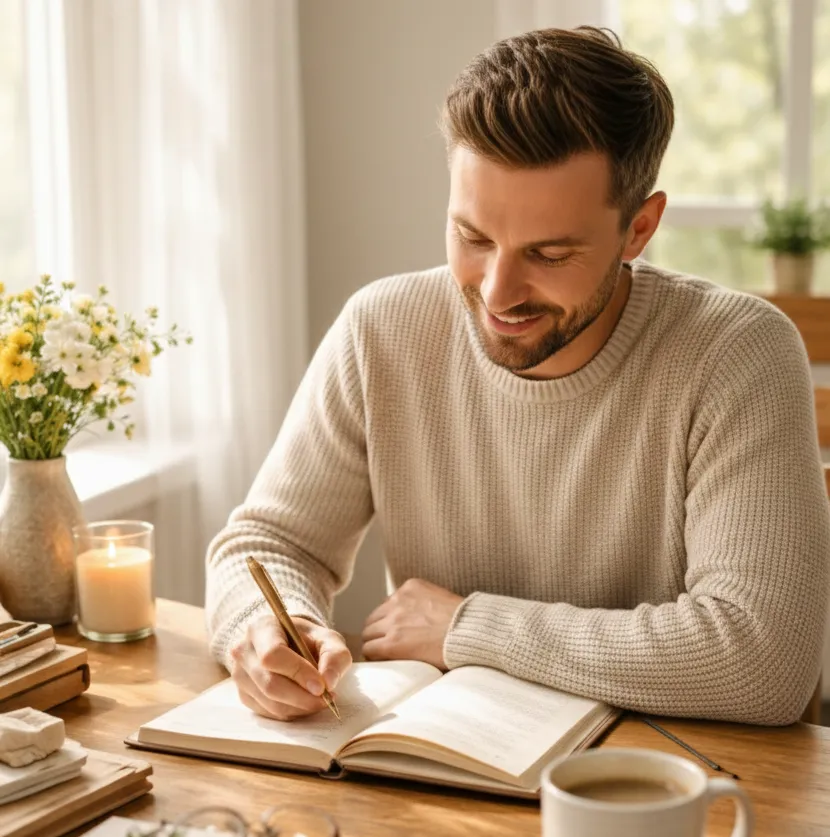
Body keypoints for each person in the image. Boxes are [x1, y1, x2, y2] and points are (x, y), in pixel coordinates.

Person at [206, 26, 830, 726]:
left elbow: (761, 659)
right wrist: (269, 627)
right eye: (472, 238)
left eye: (550, 253)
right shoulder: (381, 330)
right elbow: (267, 545)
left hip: (668, 788)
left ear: (639, 228)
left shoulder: (738, 354)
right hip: (445, 769)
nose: (498, 293)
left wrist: (468, 628)